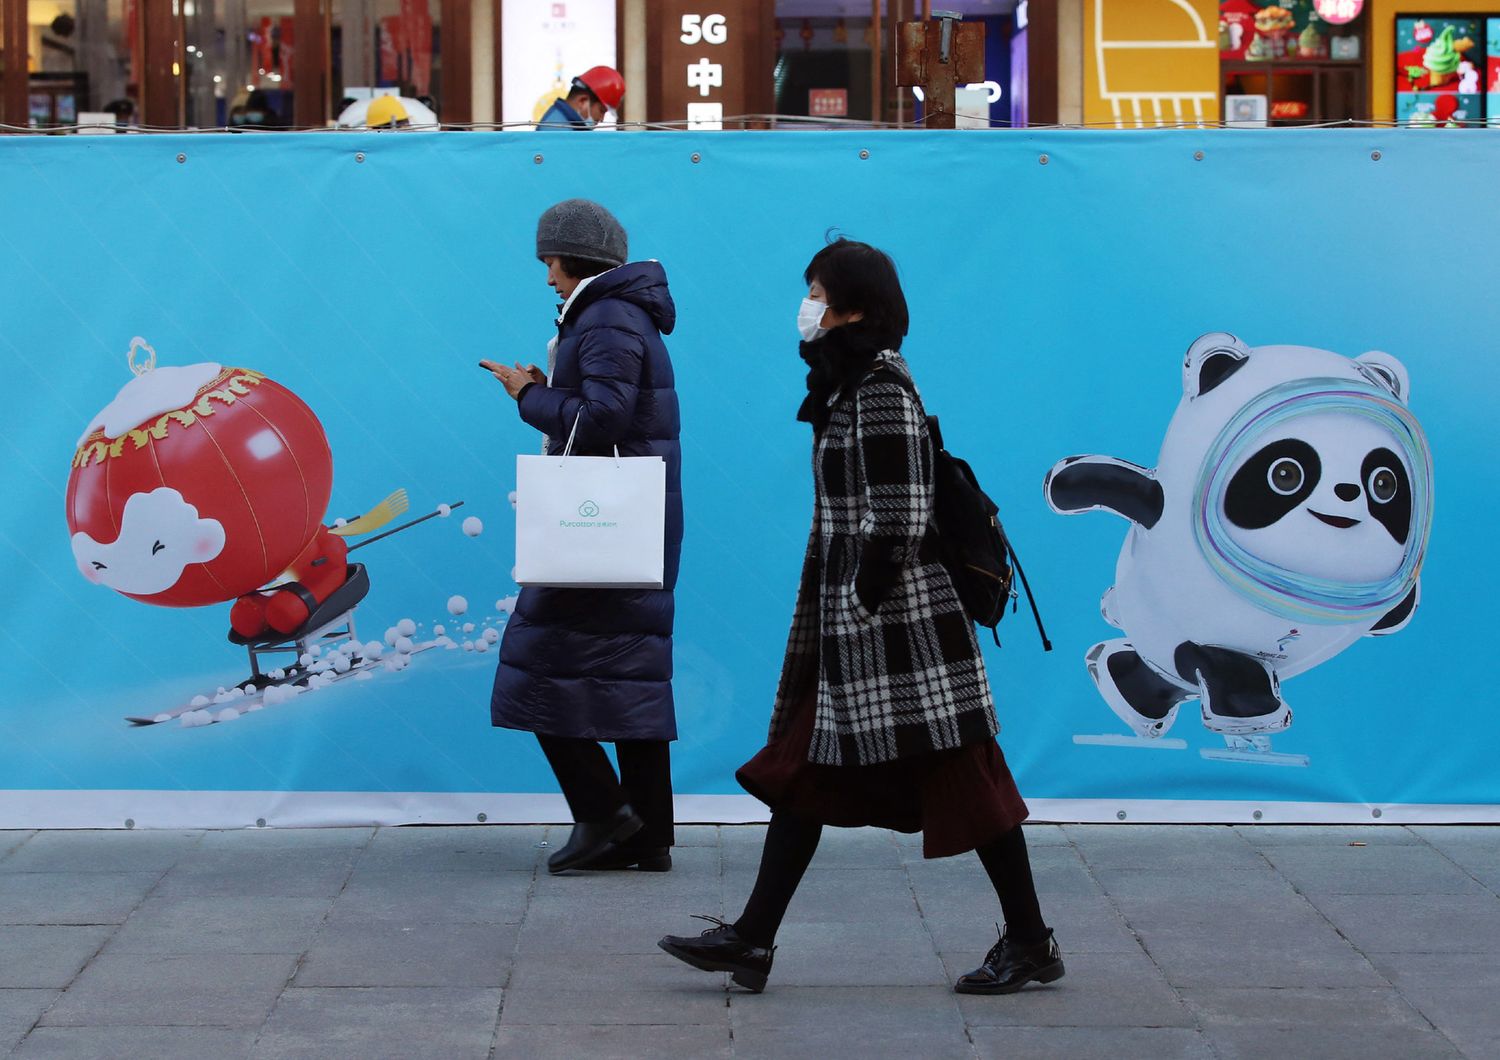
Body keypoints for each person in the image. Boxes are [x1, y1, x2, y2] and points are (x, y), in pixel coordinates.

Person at [658, 238, 1063, 995]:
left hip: (901, 628)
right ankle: (751, 939)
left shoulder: (879, 388)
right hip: (867, 628)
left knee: (967, 778)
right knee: (805, 772)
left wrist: (862, 597)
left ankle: (1033, 941)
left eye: (817, 291)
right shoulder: (851, 385)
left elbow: (903, 516)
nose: (806, 305)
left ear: (856, 306)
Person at [483, 199, 681, 874]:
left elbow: (602, 418)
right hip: (632, 524)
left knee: (535, 665)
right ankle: (646, 834)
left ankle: (602, 814)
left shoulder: (604, 318)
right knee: (632, 672)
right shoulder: (620, 316)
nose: (548, 278)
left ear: (576, 259)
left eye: (551, 261)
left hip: (596, 526)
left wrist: (524, 396)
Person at [536, 65, 625, 129]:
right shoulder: (556, 129)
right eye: (601, 111)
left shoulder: (569, 125)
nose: (601, 119)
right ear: (583, 101)